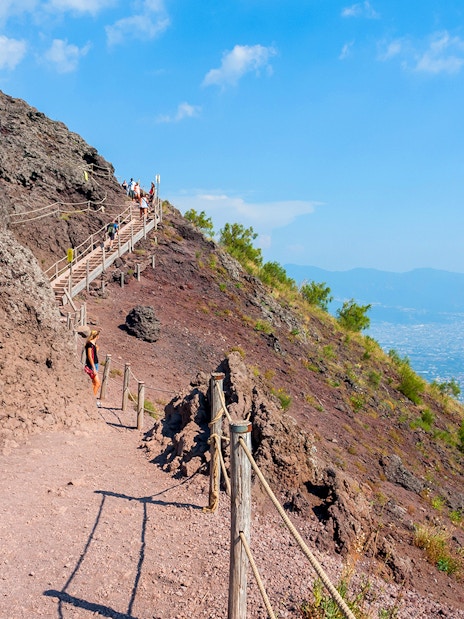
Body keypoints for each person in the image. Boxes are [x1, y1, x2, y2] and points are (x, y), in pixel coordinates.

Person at [84, 329, 101, 404]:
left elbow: (94, 355)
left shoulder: (93, 345)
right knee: (97, 383)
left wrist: (97, 349)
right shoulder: (89, 345)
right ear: (96, 336)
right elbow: (90, 357)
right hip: (92, 365)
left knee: (94, 383)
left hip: (95, 364)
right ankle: (92, 400)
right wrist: (93, 368)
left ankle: (90, 398)